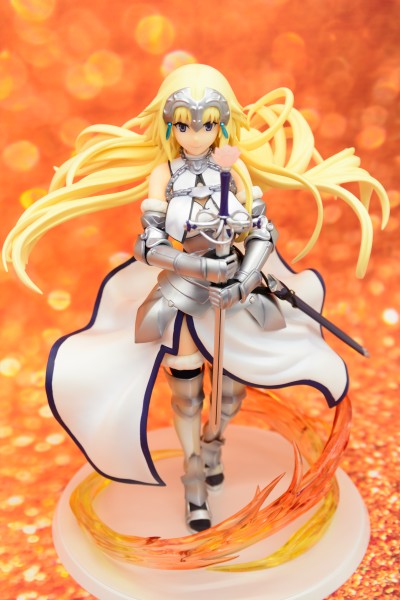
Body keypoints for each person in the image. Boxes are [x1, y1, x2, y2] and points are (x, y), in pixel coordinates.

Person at [2, 64, 389, 533]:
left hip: (236, 289)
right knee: (186, 395)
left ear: (221, 124)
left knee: (232, 388)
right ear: (170, 126)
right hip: (184, 289)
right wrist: (202, 268)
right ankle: (193, 477)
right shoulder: (163, 174)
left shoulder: (234, 170)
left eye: (207, 124)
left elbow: (262, 232)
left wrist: (243, 279)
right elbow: (148, 245)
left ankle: (214, 443)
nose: (197, 135)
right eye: (185, 125)